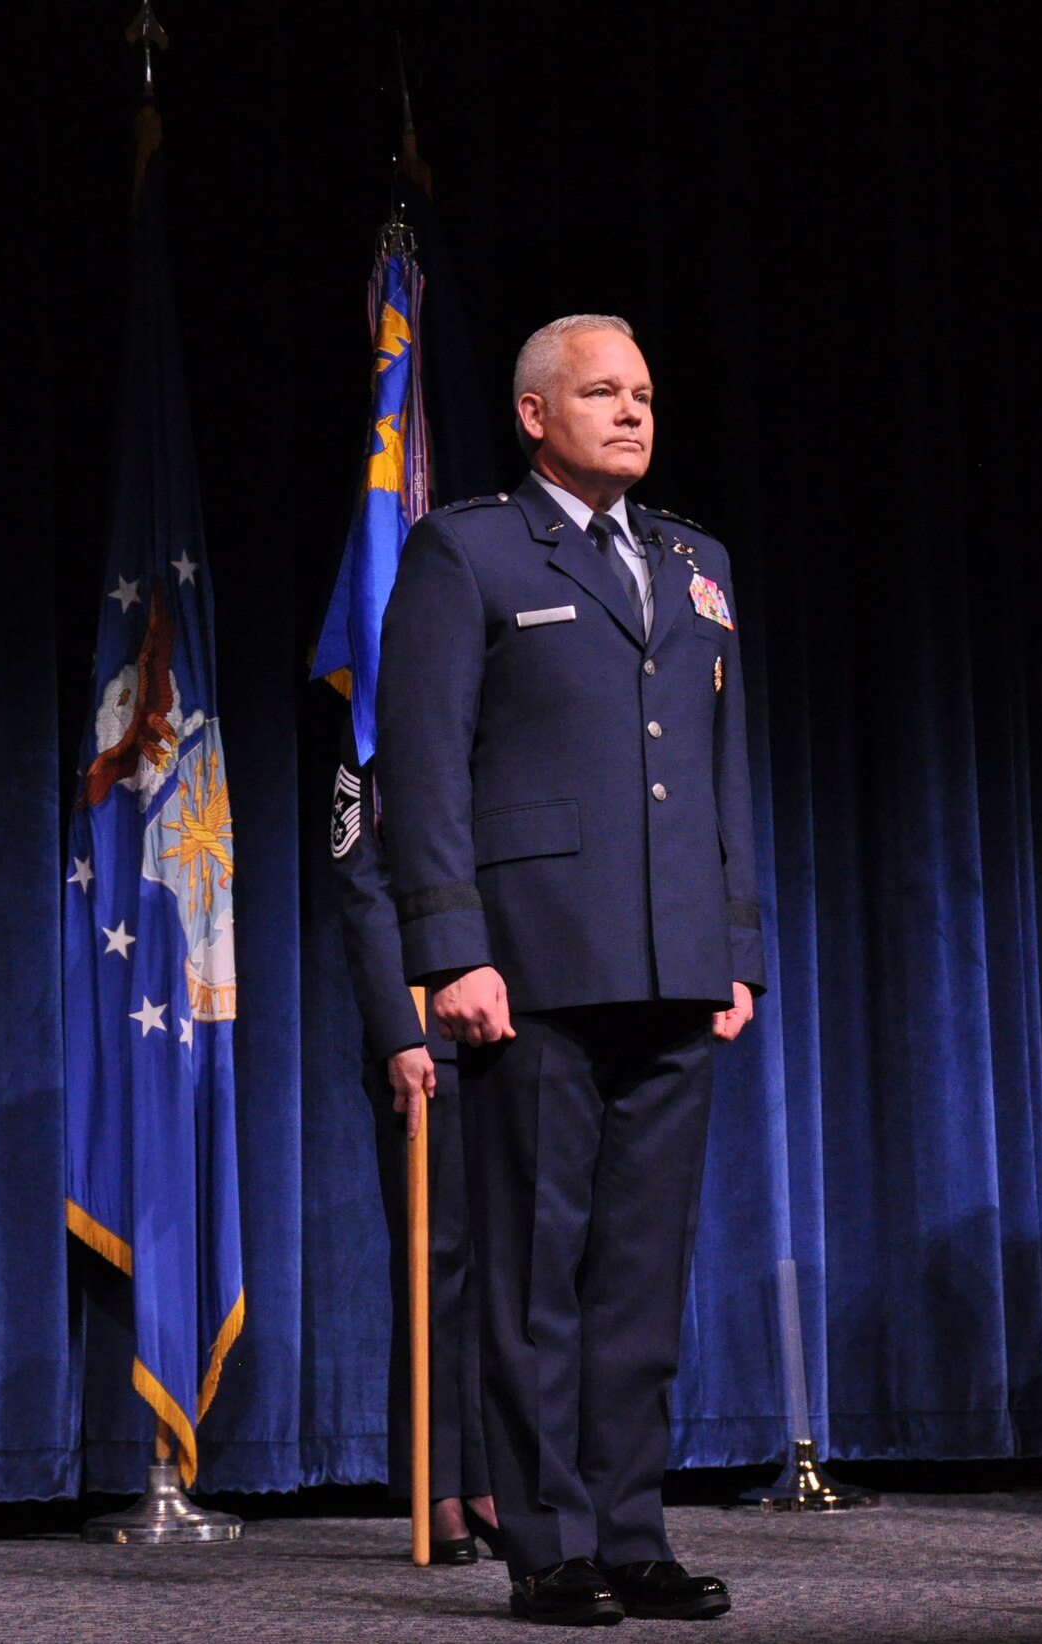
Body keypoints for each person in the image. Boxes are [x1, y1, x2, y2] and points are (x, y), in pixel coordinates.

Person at [377, 314, 763, 1625]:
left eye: (646, 393)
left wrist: (737, 944)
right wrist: (450, 949)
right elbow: (422, 770)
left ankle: (634, 1530)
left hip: (676, 962)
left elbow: (725, 776)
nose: (634, 412)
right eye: (604, 391)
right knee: (536, 1267)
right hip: (530, 964)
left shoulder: (696, 561)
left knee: (643, 1273)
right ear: (536, 413)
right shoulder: (469, 549)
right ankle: (549, 1542)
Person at [323, 716, 499, 1564]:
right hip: (426, 1035)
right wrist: (401, 1032)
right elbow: (363, 890)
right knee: (440, 1268)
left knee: (514, 1270)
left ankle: (497, 1475)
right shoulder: (369, 743)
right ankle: (441, 1486)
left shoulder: (500, 723)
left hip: (519, 1029)